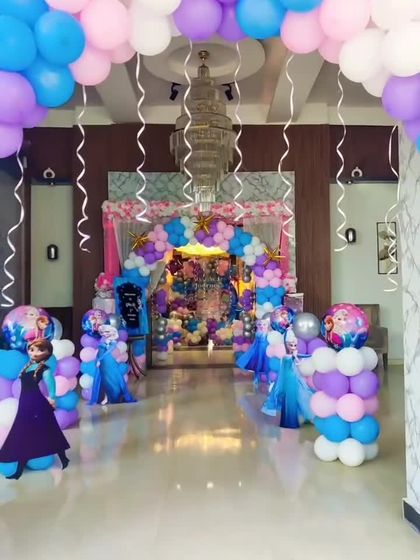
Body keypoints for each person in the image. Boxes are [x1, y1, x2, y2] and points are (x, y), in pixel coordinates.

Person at [0, 339, 70, 479]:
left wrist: (52, 398)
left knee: (43, 432)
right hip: (25, 403)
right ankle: (19, 469)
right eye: (32, 349)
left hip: (36, 403)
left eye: (40, 350)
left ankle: (62, 459)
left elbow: (51, 384)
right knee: (27, 433)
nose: (35, 353)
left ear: (48, 352)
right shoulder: (28, 367)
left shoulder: (44, 369)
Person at [262, 329, 314, 429]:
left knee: (299, 397)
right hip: (288, 380)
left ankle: (296, 419)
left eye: (295, 345)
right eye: (291, 345)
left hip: (294, 379)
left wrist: (299, 357)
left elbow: (299, 361)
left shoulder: (292, 355)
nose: (293, 347)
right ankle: (288, 422)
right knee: (289, 400)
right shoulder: (285, 357)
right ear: (286, 345)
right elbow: (283, 370)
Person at [89, 325, 136, 405]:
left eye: (107, 332)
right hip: (104, 362)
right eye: (103, 332)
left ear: (112, 332)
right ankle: (105, 397)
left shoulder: (113, 342)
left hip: (109, 362)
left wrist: (99, 360)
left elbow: (107, 353)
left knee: (111, 379)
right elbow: (100, 353)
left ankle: (111, 397)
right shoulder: (105, 342)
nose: (105, 334)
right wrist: (98, 360)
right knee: (103, 380)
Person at [236, 316, 271, 388]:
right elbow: (255, 343)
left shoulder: (268, 333)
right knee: (257, 365)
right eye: (260, 325)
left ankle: (268, 379)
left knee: (267, 365)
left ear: (267, 325)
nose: (262, 326)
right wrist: (252, 350)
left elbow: (270, 342)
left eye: (264, 325)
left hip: (266, 351)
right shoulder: (258, 333)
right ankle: (256, 378)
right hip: (258, 351)